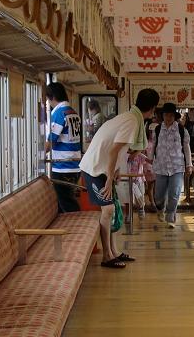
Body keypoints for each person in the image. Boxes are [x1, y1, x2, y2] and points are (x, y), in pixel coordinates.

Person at [79, 88, 159, 269]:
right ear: (153, 108)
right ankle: (107, 256)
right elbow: (114, 150)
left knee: (112, 210)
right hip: (94, 169)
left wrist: (115, 171)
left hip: (101, 167)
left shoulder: (129, 117)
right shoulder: (132, 122)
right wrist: (109, 178)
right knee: (108, 210)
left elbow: (117, 150)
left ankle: (114, 252)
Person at [152, 102, 192, 228]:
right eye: (166, 115)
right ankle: (160, 208)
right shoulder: (157, 129)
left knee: (174, 193)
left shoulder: (181, 130)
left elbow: (186, 148)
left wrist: (189, 164)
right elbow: (153, 146)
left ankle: (170, 217)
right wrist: (150, 160)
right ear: (162, 116)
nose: (168, 118)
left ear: (174, 116)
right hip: (161, 167)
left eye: (170, 115)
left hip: (177, 167)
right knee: (158, 196)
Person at [45, 82, 82, 212]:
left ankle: (78, 224)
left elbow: (51, 140)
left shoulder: (59, 113)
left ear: (52, 97)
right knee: (65, 202)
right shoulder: (72, 112)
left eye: (47, 99)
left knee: (67, 203)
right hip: (74, 164)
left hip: (63, 166)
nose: (48, 103)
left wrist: (37, 157)